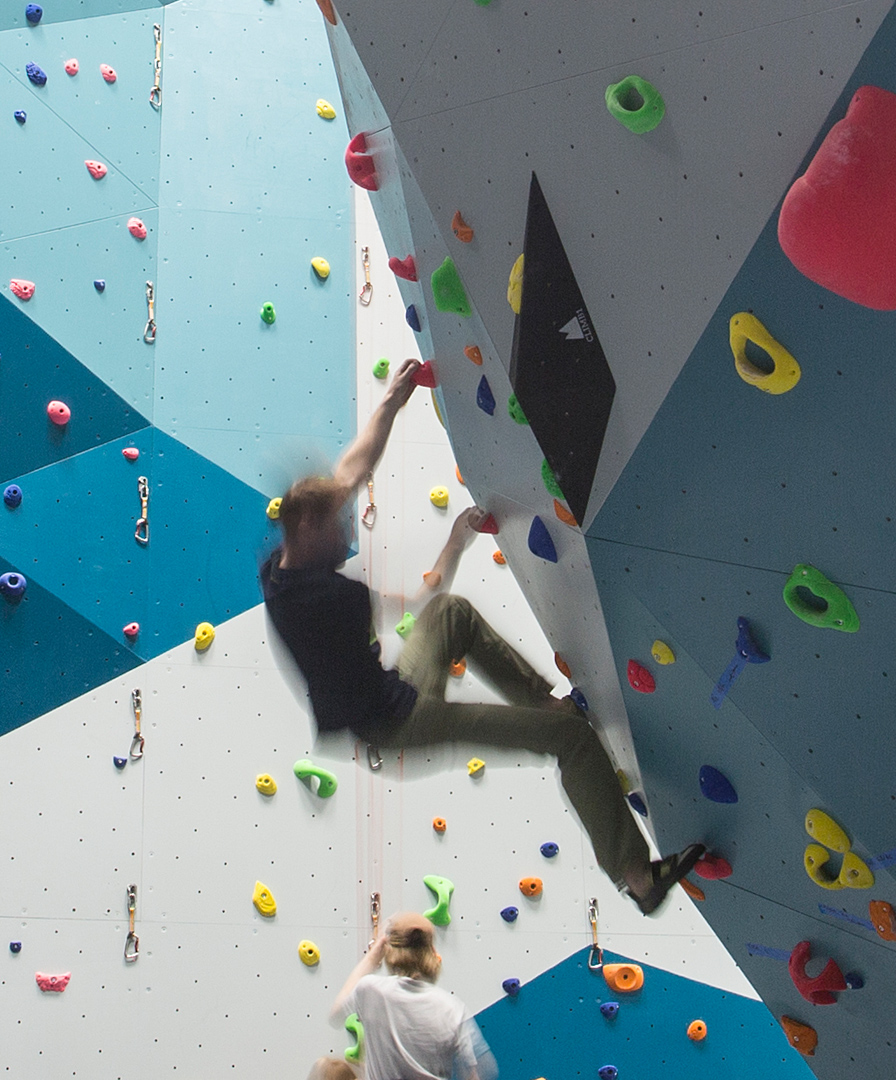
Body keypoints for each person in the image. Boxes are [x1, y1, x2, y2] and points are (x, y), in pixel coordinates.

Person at [260, 359, 702, 914]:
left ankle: (546, 704)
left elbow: (350, 472)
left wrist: (392, 401)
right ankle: (637, 876)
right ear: (307, 527)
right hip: (395, 726)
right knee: (573, 742)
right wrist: (456, 540)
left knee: (453, 617)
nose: (347, 531)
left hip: (391, 690)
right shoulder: (327, 601)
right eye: (338, 525)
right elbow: (419, 596)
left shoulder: (281, 565)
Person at [310, 913, 496, 1080]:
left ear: (389, 950)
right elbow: (479, 1072)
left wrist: (373, 956)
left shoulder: (371, 991)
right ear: (431, 952)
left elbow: (336, 1015)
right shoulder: (451, 1008)